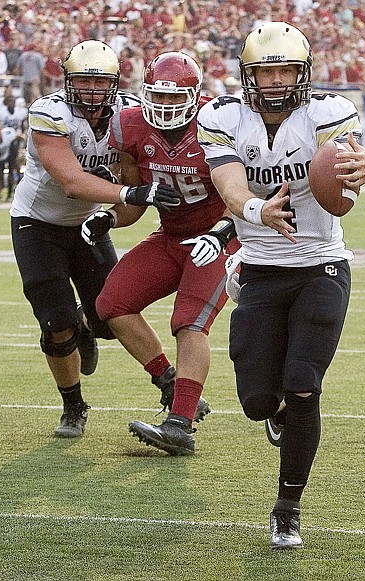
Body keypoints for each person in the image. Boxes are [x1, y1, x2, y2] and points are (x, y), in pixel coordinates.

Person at [196, 22, 365, 549]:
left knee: (304, 384)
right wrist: (256, 209)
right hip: (259, 263)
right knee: (257, 400)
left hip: (321, 263)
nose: (276, 81)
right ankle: (274, 413)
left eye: (285, 70)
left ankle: (287, 506)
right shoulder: (223, 117)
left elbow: (351, 159)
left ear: (303, 74)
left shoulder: (326, 112)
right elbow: (230, 185)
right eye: (265, 71)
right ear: (247, 76)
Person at [10, 40, 181, 439]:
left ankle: (167, 379)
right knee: (57, 323)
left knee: (110, 313)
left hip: (90, 223)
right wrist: (130, 194)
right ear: (67, 81)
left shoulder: (129, 113)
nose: (90, 89)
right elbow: (70, 181)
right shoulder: (49, 113)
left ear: (114, 82)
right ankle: (74, 405)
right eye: (83, 79)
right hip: (39, 223)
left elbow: (138, 163)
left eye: (99, 80)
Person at [82, 52, 240, 455]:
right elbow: (133, 203)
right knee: (112, 303)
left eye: (175, 99)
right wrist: (108, 217)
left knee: (189, 321)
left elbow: (241, 195)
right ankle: (171, 382)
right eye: (158, 97)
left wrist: (221, 234)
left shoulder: (218, 122)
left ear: (195, 96)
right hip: (171, 236)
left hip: (220, 237)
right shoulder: (130, 126)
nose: (166, 107)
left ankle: (180, 425)